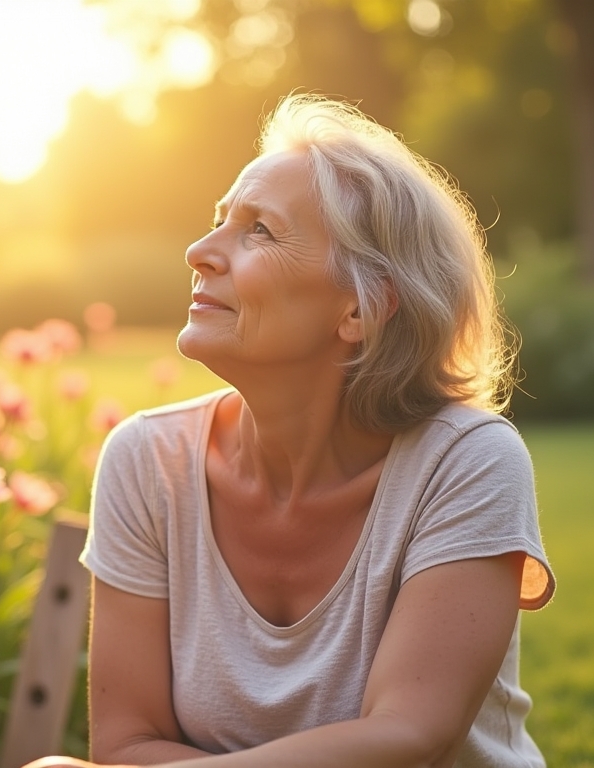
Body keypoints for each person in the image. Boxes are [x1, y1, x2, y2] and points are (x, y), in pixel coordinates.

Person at [70, 93, 556, 768]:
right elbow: (123, 747)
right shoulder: (148, 461)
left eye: (258, 230)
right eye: (218, 222)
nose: (199, 251)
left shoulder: (466, 462)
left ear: (359, 309)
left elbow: (409, 738)